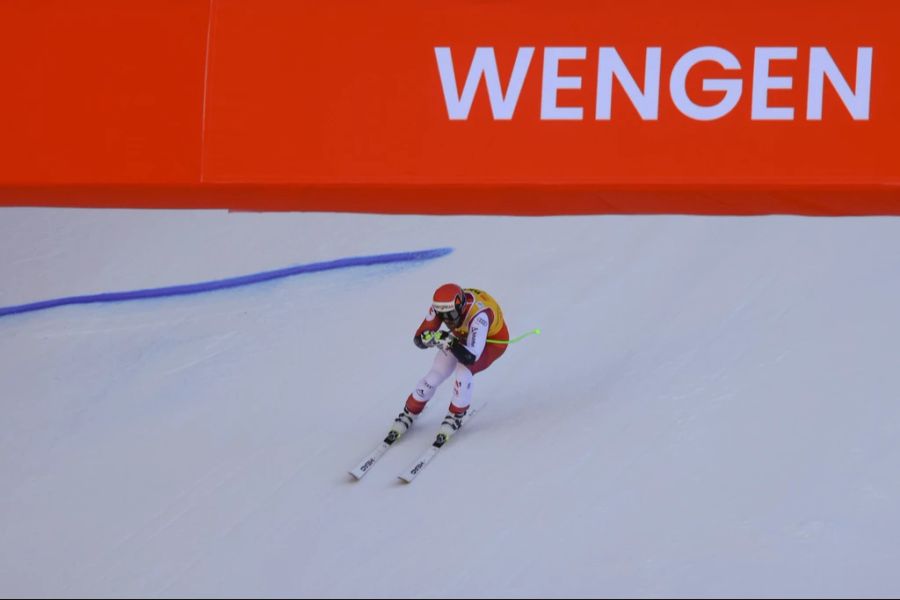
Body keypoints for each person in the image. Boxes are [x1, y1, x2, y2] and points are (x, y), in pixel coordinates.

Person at [387, 283, 509, 444]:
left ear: (460, 305)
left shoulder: (480, 316)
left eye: (451, 315)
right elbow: (418, 338)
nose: (447, 320)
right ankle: (410, 411)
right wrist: (427, 339)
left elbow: (470, 357)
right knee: (435, 374)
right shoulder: (441, 307)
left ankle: (456, 414)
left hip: (490, 343)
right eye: (442, 316)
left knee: (463, 372)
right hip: (462, 337)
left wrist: (449, 341)